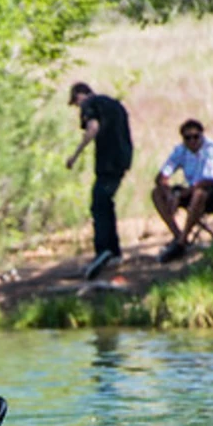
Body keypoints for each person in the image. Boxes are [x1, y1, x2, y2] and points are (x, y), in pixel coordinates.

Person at [65, 82, 133, 280]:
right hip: (122, 159)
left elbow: (93, 127)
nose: (78, 109)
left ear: (79, 96)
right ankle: (114, 252)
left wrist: (75, 155)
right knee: (106, 202)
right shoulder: (115, 104)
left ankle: (103, 250)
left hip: (107, 162)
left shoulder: (90, 104)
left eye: (76, 104)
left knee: (98, 204)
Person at [152, 118, 213, 263]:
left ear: (202, 135)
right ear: (183, 139)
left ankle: (181, 244)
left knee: (199, 193)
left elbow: (208, 180)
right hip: (195, 190)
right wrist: (170, 194)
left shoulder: (211, 149)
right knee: (157, 193)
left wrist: (180, 194)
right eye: (188, 138)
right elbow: (161, 176)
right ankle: (178, 236)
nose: (193, 141)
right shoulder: (180, 150)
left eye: (196, 136)